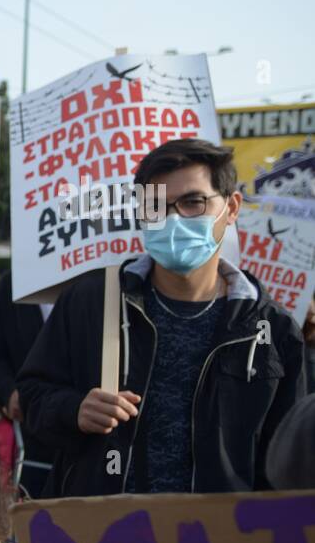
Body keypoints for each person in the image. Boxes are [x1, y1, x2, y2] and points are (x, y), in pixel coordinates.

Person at [17, 138, 307, 497]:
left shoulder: (273, 329)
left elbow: (292, 459)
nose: (173, 218)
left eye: (192, 202)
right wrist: (73, 410)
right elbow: (30, 399)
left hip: (224, 542)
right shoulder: (90, 302)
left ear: (231, 207)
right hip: (103, 537)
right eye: (155, 205)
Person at [0, 269, 54, 497]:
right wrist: (8, 393)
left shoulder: (103, 279)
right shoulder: (11, 285)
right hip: (30, 435)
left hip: (91, 441)